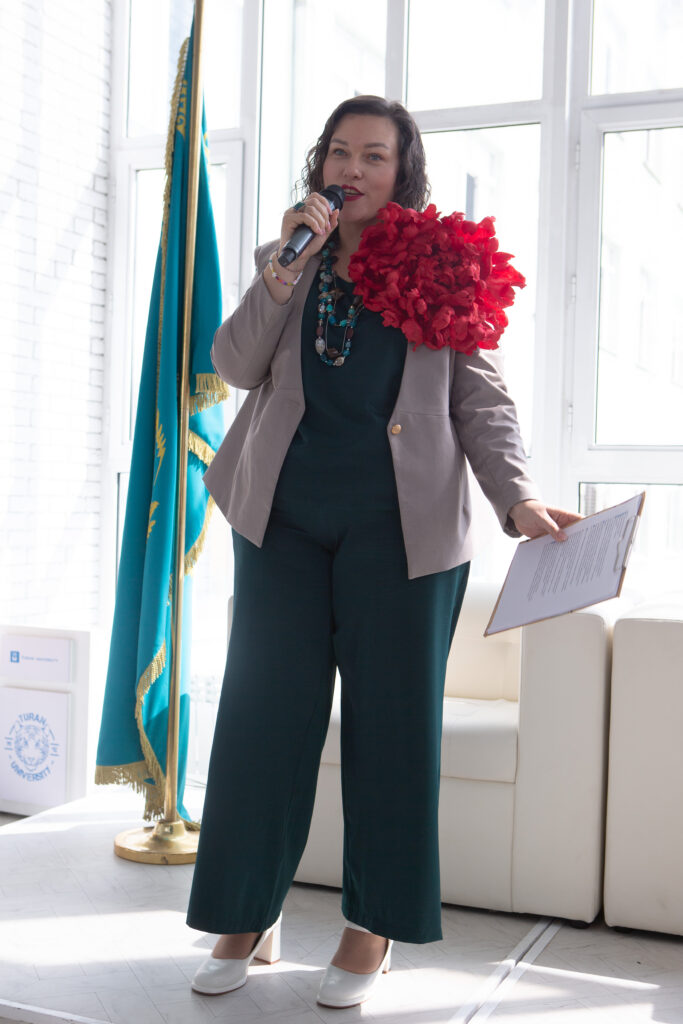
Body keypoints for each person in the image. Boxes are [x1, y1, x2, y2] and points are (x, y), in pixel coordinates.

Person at [185, 95, 581, 1008]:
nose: (351, 169)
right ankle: (245, 914)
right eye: (338, 152)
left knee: (392, 733)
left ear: (403, 170)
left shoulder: (444, 262)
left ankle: (372, 927)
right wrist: (285, 269)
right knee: (261, 722)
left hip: (404, 534)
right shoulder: (287, 259)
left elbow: (481, 400)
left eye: (373, 155)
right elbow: (233, 365)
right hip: (281, 522)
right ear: (318, 165)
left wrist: (516, 496)